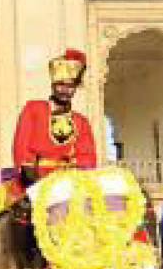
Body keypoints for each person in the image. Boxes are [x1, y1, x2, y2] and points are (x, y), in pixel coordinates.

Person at [12, 51, 99, 185]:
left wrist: (72, 167)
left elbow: (88, 157)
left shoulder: (81, 121)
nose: (65, 90)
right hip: (33, 178)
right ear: (52, 85)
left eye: (71, 86)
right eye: (61, 85)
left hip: (68, 181)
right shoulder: (33, 109)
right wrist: (29, 175)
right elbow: (21, 145)